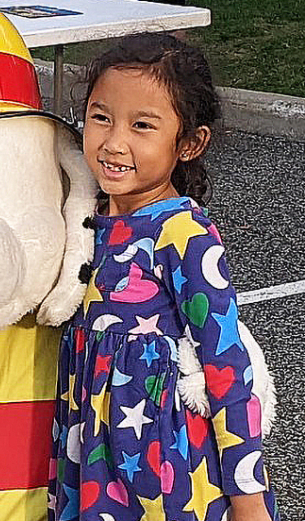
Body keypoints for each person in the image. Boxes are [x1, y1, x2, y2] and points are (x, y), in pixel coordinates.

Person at [49, 33, 278, 521]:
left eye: (142, 125)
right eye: (101, 116)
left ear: (190, 142)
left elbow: (227, 367)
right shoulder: (81, 219)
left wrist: (249, 500)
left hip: (166, 474)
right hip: (90, 458)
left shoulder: (183, 233)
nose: (113, 142)